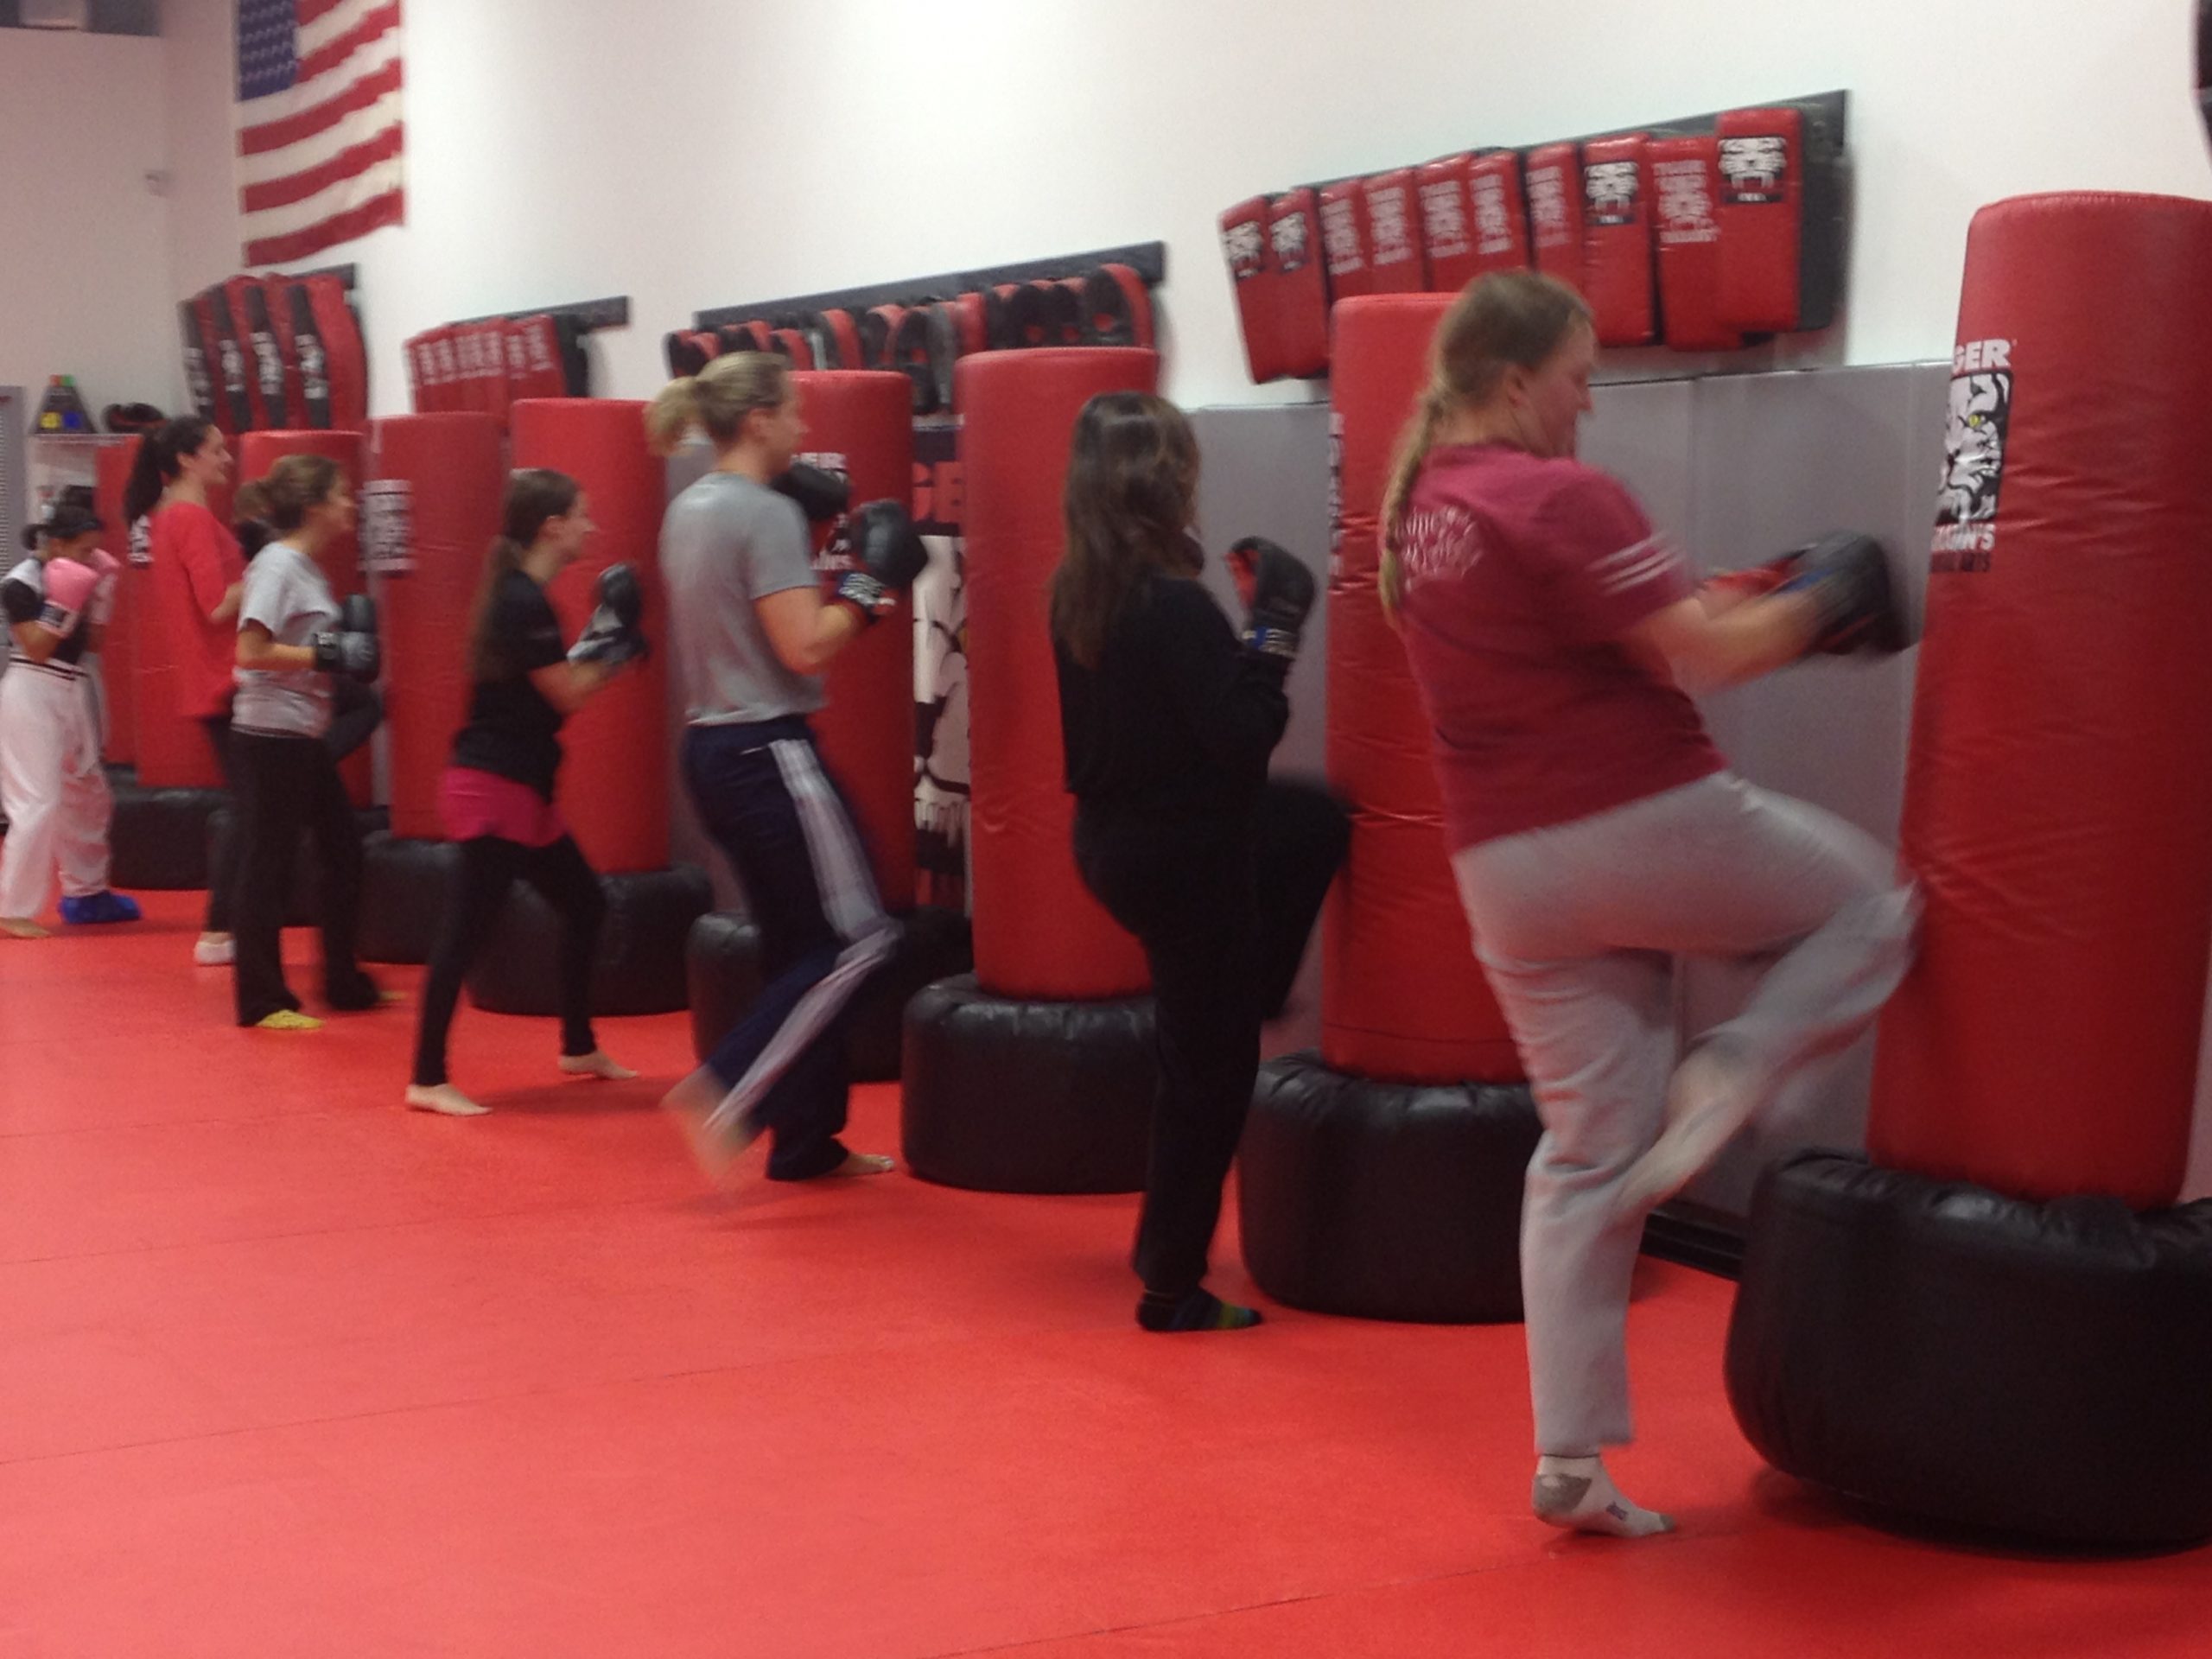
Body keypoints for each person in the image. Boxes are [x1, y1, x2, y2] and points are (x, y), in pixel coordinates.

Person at [1376, 270, 1918, 1537]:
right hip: (1632, 820)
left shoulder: (1422, 508)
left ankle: (1568, 1459)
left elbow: (1623, 630)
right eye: (1578, 380)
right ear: (1516, 384)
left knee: (1585, 1153)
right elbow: (1706, 657)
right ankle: (1736, 1065)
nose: (1588, 407)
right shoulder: (1554, 492)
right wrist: (1823, 602)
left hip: (1503, 877)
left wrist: (1752, 591)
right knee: (1872, 907)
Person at [1050, 392, 1349, 1333]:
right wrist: (1273, 634)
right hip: (1183, 859)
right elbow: (1241, 737)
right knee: (1211, 1073)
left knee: (1309, 823)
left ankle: (1246, 987)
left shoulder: (1080, 589)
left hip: (1111, 843)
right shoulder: (1171, 603)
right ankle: (1170, 1286)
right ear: (1166, 478)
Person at [648, 352, 925, 1183]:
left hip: (710, 748)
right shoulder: (761, 515)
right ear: (760, 419)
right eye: (794, 413)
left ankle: (807, 1142)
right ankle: (729, 1090)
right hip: (767, 748)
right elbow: (804, 644)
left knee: (797, 942)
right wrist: (872, 590)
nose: (805, 429)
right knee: (861, 940)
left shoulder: (689, 507)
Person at [405, 468, 644, 1116]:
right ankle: (426, 1078)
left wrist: (607, 644)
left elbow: (557, 684)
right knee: (463, 932)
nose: (591, 527)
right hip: (494, 789)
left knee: (586, 905)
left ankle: (577, 1045)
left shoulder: (525, 595)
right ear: (552, 526)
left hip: (522, 788)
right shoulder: (520, 600)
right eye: (582, 515)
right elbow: (565, 694)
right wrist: (619, 653)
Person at [227, 454, 387, 1031]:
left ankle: (343, 982)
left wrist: (340, 654)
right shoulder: (278, 567)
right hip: (270, 732)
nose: (351, 504)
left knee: (343, 850)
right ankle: (261, 1000)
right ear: (316, 505)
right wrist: (326, 654)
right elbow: (250, 651)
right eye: (344, 494)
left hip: (302, 730)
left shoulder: (307, 567)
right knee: (266, 863)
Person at [127, 416, 245, 966]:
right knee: (255, 805)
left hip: (217, 677)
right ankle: (218, 930)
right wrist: (273, 571)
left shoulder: (166, 519)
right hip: (226, 678)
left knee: (256, 804)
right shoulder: (190, 519)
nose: (228, 459)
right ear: (185, 459)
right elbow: (218, 604)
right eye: (218, 450)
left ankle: (222, 929)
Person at [0, 490, 141, 937]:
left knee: (88, 794)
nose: (92, 557)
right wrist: (65, 603)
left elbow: (93, 646)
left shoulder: (85, 572)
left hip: (72, 688)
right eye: (84, 550)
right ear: (57, 545)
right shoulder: (19, 584)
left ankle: (86, 894)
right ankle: (11, 909)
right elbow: (38, 650)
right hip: (30, 690)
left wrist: (101, 600)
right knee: (37, 801)